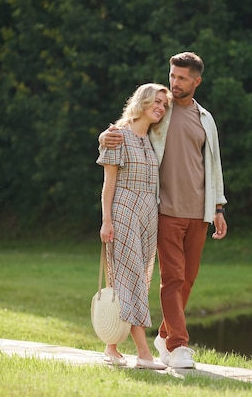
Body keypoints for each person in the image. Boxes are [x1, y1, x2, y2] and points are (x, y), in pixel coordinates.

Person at [99, 52, 228, 369]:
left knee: (188, 279)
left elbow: (213, 164)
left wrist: (218, 206)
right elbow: (131, 123)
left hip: (199, 212)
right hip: (163, 210)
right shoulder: (162, 111)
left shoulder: (205, 119)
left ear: (197, 81)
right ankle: (178, 345)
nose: (175, 83)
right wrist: (105, 135)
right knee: (172, 278)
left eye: (183, 78)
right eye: (173, 76)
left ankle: (163, 335)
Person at [97, 83, 171, 370]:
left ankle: (111, 347)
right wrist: (106, 220)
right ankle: (143, 353)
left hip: (148, 214)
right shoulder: (118, 135)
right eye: (157, 101)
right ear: (142, 101)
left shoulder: (152, 138)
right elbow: (109, 184)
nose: (161, 108)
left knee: (139, 278)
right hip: (124, 210)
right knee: (131, 279)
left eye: (164, 104)